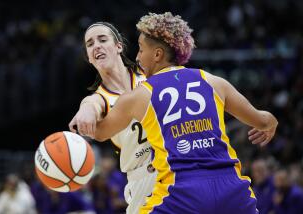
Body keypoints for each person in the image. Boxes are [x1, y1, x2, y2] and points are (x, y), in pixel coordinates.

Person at [89, 12, 278, 213]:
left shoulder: (140, 95)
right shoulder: (213, 81)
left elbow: (99, 132)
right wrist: (270, 125)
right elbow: (263, 119)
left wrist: (91, 104)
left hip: (182, 193)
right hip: (232, 190)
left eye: (141, 49)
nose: (137, 57)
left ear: (157, 54)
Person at [68, 22, 157, 214]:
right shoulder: (100, 98)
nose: (96, 46)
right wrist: (86, 110)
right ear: (89, 58)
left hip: (177, 166)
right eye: (90, 44)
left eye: (102, 39)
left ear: (119, 46)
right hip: (143, 180)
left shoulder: (148, 73)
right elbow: (92, 104)